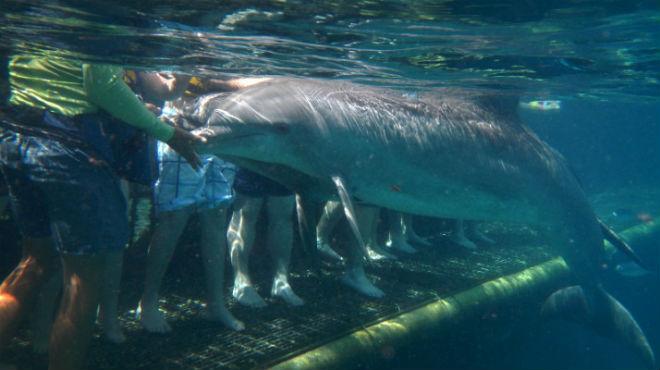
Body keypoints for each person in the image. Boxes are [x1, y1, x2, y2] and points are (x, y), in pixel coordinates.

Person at [0, 55, 204, 370]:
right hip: (67, 146)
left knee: (34, 263)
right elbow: (101, 84)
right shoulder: (107, 7)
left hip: (17, 134)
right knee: (82, 283)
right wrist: (166, 132)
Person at [137, 92, 244, 333]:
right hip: (182, 128)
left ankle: (216, 303)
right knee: (174, 218)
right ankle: (148, 301)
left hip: (226, 132)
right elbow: (173, 85)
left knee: (217, 217)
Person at [227, 168, 304, 308]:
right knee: (246, 214)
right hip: (250, 154)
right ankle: (241, 282)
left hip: (282, 157)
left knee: (283, 215)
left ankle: (281, 281)